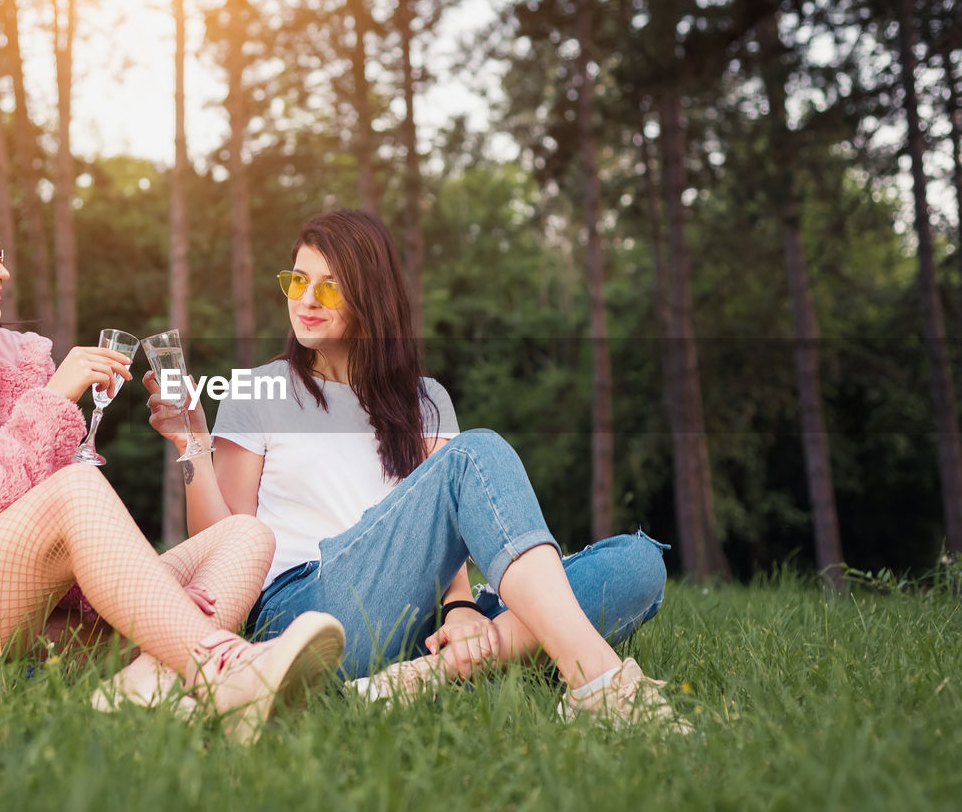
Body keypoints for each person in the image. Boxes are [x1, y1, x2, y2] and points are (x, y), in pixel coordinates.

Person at [0, 185, 343, 743]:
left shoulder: (15, 365)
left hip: (41, 616)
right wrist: (53, 399)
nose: (3, 273)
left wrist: (148, 598)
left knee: (245, 535)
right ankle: (224, 668)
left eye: (1, 255)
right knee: (75, 488)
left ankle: (141, 691)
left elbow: (60, 539)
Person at [144, 208, 686, 728]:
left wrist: (460, 609)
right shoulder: (258, 389)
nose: (306, 300)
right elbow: (225, 546)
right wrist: (194, 447)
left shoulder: (425, 399)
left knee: (638, 565)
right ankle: (596, 683)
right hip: (307, 610)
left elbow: (443, 532)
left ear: (370, 297)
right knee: (478, 453)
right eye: (297, 281)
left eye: (328, 287)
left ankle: (430, 672)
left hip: (421, 619)